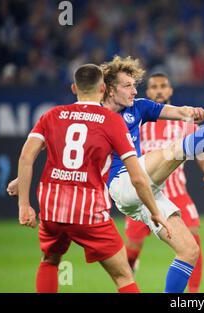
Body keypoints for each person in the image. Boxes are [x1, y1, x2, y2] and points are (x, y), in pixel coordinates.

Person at [101, 56, 204, 292]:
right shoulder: (94, 114)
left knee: (189, 250)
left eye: (135, 85)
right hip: (124, 183)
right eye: (128, 86)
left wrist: (190, 112)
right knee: (175, 150)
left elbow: (178, 111)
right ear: (110, 90)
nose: (135, 90)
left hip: (147, 192)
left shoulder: (140, 107)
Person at [16, 64, 171, 293]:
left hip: (52, 207)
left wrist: (23, 204)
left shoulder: (51, 115)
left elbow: (26, 158)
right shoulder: (111, 121)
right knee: (124, 276)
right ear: (102, 88)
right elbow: (137, 177)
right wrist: (155, 211)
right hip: (88, 210)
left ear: (73, 88)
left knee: (50, 261)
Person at [124, 72, 204, 293]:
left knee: (193, 242)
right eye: (154, 86)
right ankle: (126, 282)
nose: (158, 90)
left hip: (176, 192)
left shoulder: (183, 121)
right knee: (131, 250)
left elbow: (200, 149)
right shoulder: (137, 120)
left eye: (163, 86)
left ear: (170, 90)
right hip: (142, 194)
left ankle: (193, 293)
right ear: (147, 92)